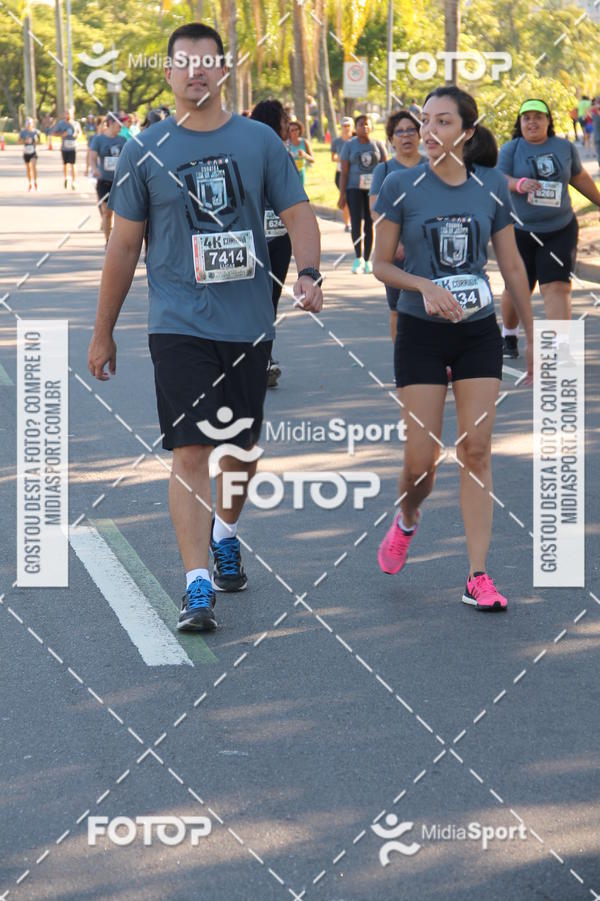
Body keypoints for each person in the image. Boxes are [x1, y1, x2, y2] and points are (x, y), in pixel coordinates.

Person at [87, 22, 323, 633]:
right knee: (190, 449)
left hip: (249, 323)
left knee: (240, 448)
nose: (196, 71)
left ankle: (227, 531)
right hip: (178, 322)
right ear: (167, 74)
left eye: (207, 62)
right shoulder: (145, 148)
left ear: (224, 71)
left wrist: (310, 272)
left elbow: (298, 211)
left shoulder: (260, 142)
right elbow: (122, 248)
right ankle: (196, 587)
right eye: (184, 63)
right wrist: (102, 330)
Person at [372, 85, 534, 611]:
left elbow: (511, 267)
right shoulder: (400, 183)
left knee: (476, 449)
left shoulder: (490, 186)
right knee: (421, 462)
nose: (429, 131)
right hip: (420, 331)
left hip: (478, 331)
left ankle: (477, 575)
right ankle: (408, 517)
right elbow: (380, 264)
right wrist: (424, 286)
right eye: (425, 121)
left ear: (466, 131)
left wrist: (533, 337)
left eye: (443, 122)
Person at [497, 98, 600, 357]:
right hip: (520, 230)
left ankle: (558, 350)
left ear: (548, 121)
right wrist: (519, 184)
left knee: (556, 285)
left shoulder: (564, 147)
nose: (532, 122)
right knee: (517, 287)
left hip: (560, 228)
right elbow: (498, 179)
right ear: (520, 123)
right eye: (526, 118)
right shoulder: (511, 149)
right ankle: (509, 335)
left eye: (538, 117)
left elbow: (578, 177)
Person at [369, 109, 426, 343]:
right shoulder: (384, 170)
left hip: (429, 250)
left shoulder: (433, 166)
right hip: (396, 252)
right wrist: (396, 241)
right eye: (399, 132)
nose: (406, 136)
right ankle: (402, 364)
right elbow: (376, 209)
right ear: (391, 140)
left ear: (420, 134)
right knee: (397, 309)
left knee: (433, 305)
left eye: (411, 130)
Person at [250, 98, 295, 388]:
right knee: (263, 300)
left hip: (275, 236)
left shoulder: (283, 153)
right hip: (260, 237)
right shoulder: (253, 151)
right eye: (283, 118)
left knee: (265, 300)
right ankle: (255, 359)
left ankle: (263, 360)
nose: (287, 124)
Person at [338, 114, 387, 274]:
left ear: (371, 127)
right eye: (361, 125)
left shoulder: (378, 144)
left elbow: (386, 168)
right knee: (357, 222)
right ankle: (358, 257)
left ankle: (367, 260)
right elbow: (344, 172)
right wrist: (342, 194)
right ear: (355, 128)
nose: (364, 127)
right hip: (353, 188)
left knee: (369, 222)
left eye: (367, 125)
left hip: (373, 190)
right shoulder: (349, 146)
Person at [90, 115, 127, 247]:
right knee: (107, 212)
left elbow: (129, 159)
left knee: (120, 212)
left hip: (120, 182)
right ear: (111, 123)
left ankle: (117, 239)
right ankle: (108, 240)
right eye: (119, 123)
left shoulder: (123, 140)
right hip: (104, 181)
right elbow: (93, 157)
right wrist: (94, 169)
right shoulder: (99, 139)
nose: (122, 126)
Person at [331, 117, 353, 232]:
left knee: (353, 198)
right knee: (345, 198)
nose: (346, 128)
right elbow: (333, 158)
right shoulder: (336, 141)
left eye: (348, 125)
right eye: (344, 126)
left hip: (354, 173)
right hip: (340, 173)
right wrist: (341, 158)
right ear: (341, 127)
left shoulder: (355, 140)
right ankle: (347, 223)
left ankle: (354, 221)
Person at [52, 110, 81, 189]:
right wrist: (62, 134)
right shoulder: (61, 124)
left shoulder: (76, 124)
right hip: (64, 147)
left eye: (69, 113)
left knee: (73, 164)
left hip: (73, 147)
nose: (68, 115)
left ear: (72, 114)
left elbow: (79, 133)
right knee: (65, 164)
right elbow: (54, 133)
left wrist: (76, 135)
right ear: (64, 115)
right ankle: (66, 178)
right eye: (66, 113)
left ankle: (74, 181)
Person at [287, 119, 314, 188]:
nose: (295, 132)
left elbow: (312, 160)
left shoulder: (304, 142)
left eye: (296, 129)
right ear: (288, 132)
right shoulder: (287, 144)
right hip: (290, 174)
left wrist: (305, 155)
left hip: (301, 173)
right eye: (292, 130)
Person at [18, 117, 40, 191]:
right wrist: (25, 141)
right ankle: (30, 183)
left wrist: (35, 141)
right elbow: (18, 142)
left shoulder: (35, 132)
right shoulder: (23, 132)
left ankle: (35, 181)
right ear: (26, 124)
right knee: (28, 168)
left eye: (30, 123)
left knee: (34, 166)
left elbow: (39, 141)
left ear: (32, 124)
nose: (29, 125)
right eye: (27, 123)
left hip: (33, 152)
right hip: (26, 152)